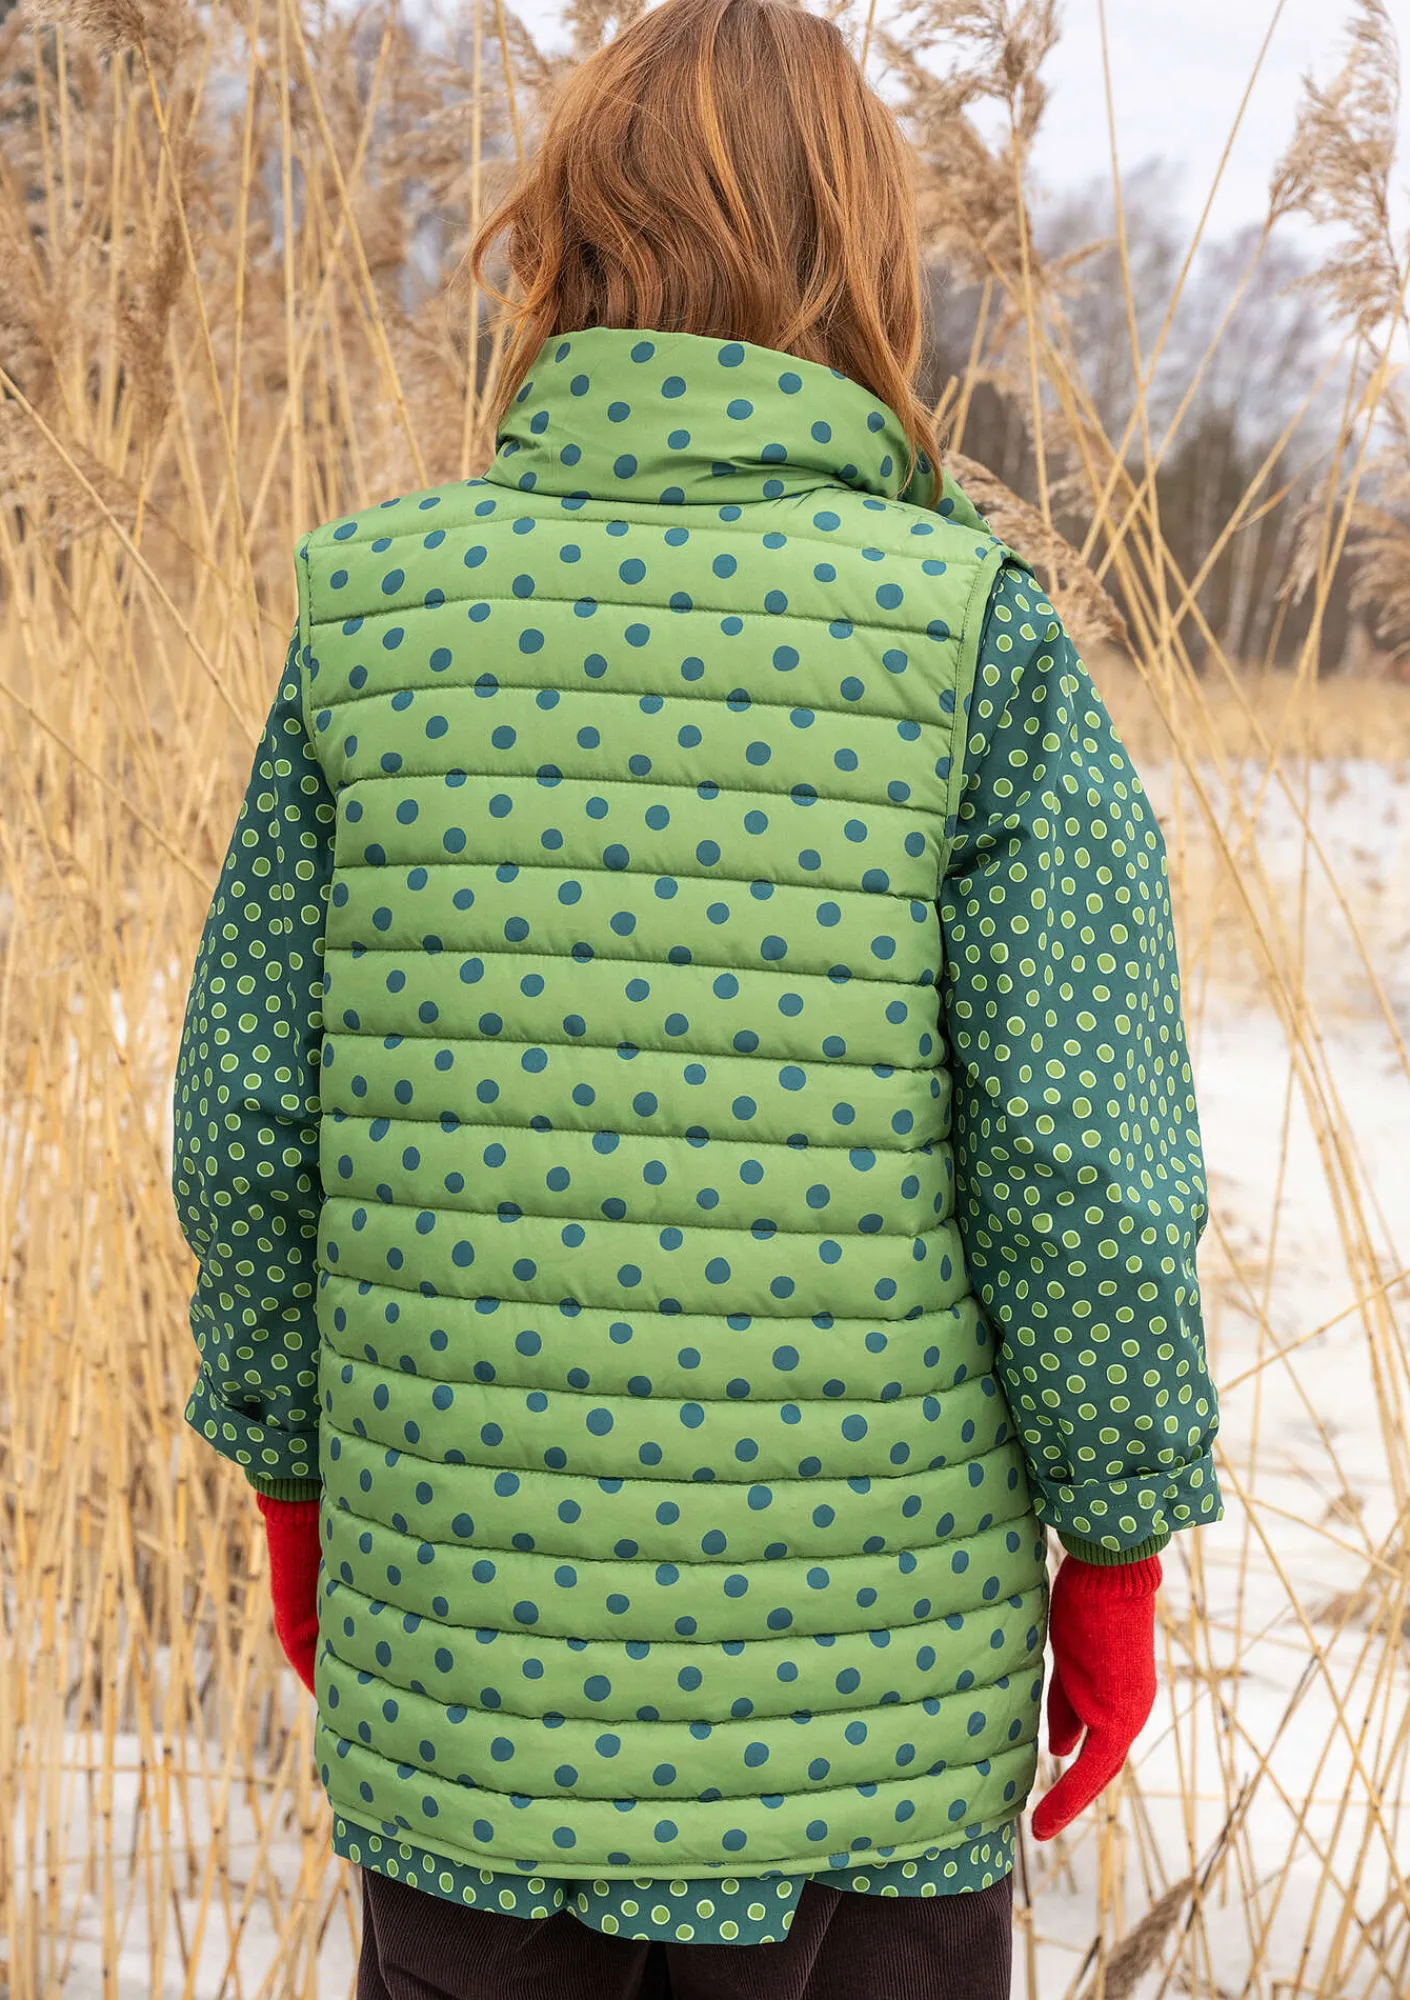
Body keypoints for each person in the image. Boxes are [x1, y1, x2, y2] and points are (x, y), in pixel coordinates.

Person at [170, 0, 1222, 1993]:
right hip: (867, 1756)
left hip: (468, 1720)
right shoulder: (971, 643)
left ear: (563, 238)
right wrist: (1114, 1546)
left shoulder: (376, 614)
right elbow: (1081, 1163)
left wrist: (295, 1482)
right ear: (863, 259)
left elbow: (249, 1125)